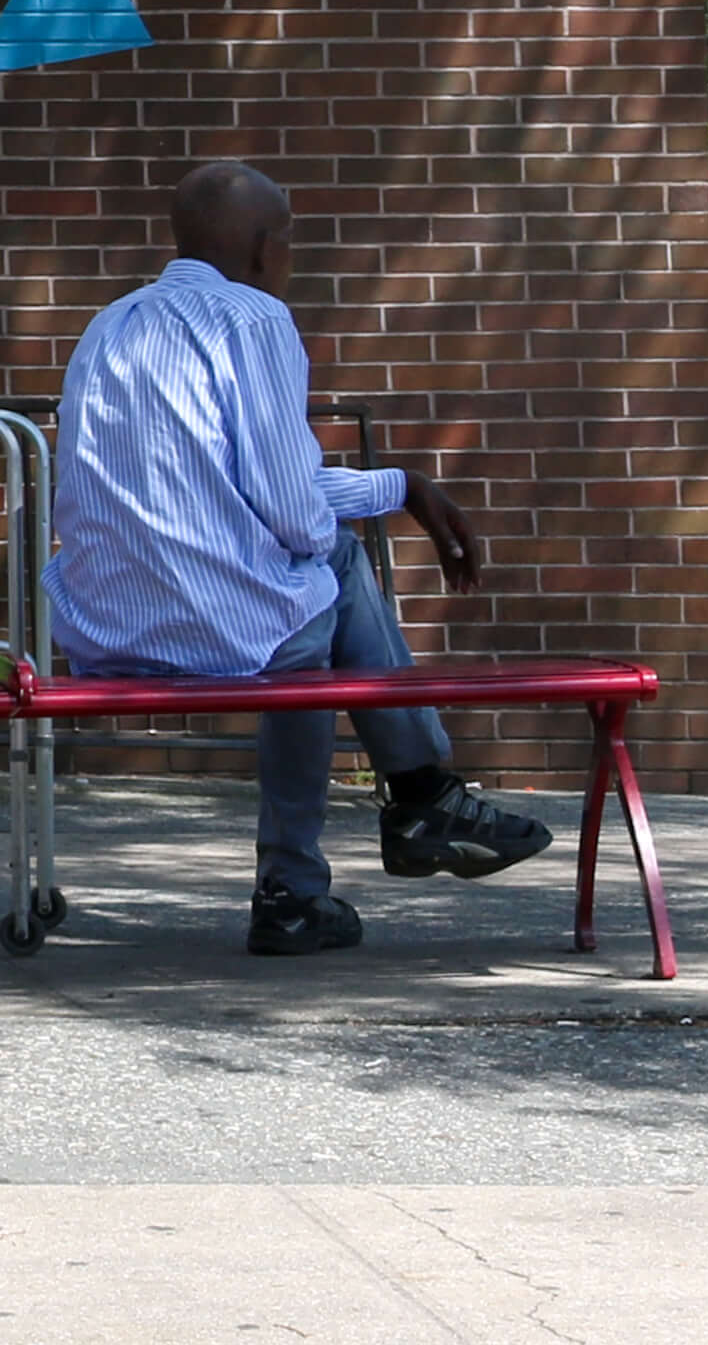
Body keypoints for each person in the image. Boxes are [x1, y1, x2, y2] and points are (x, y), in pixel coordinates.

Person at [52, 156, 550, 953]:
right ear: (262, 248)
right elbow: (292, 508)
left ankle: (382, 828)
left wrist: (397, 485)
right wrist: (388, 501)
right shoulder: (254, 320)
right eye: (288, 245)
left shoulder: (110, 324)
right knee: (323, 582)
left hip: (100, 629)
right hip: (219, 633)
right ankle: (394, 812)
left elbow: (241, 484)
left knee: (306, 597)